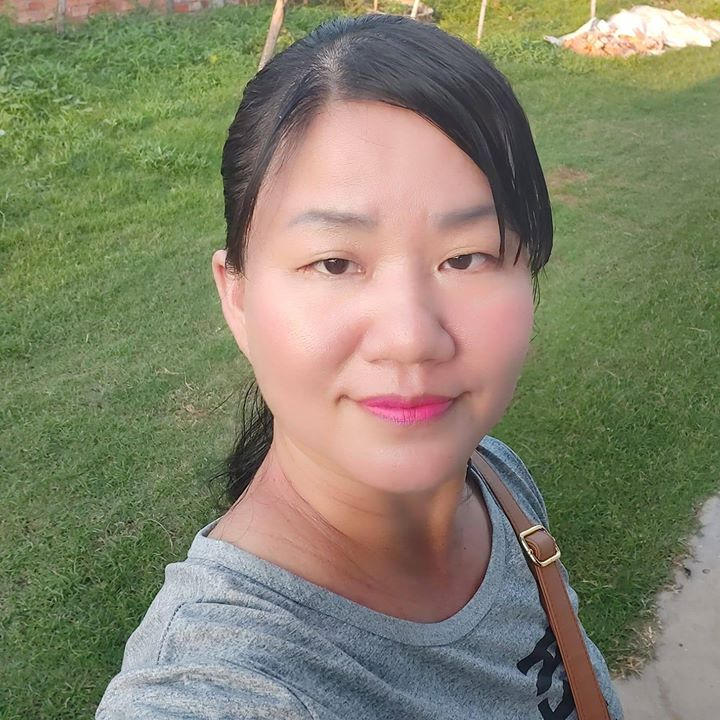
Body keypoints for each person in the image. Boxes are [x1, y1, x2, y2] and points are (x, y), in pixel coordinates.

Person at [96, 12, 624, 720]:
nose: (409, 338)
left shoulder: (497, 483)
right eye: (335, 263)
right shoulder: (221, 681)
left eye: (465, 257)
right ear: (237, 297)